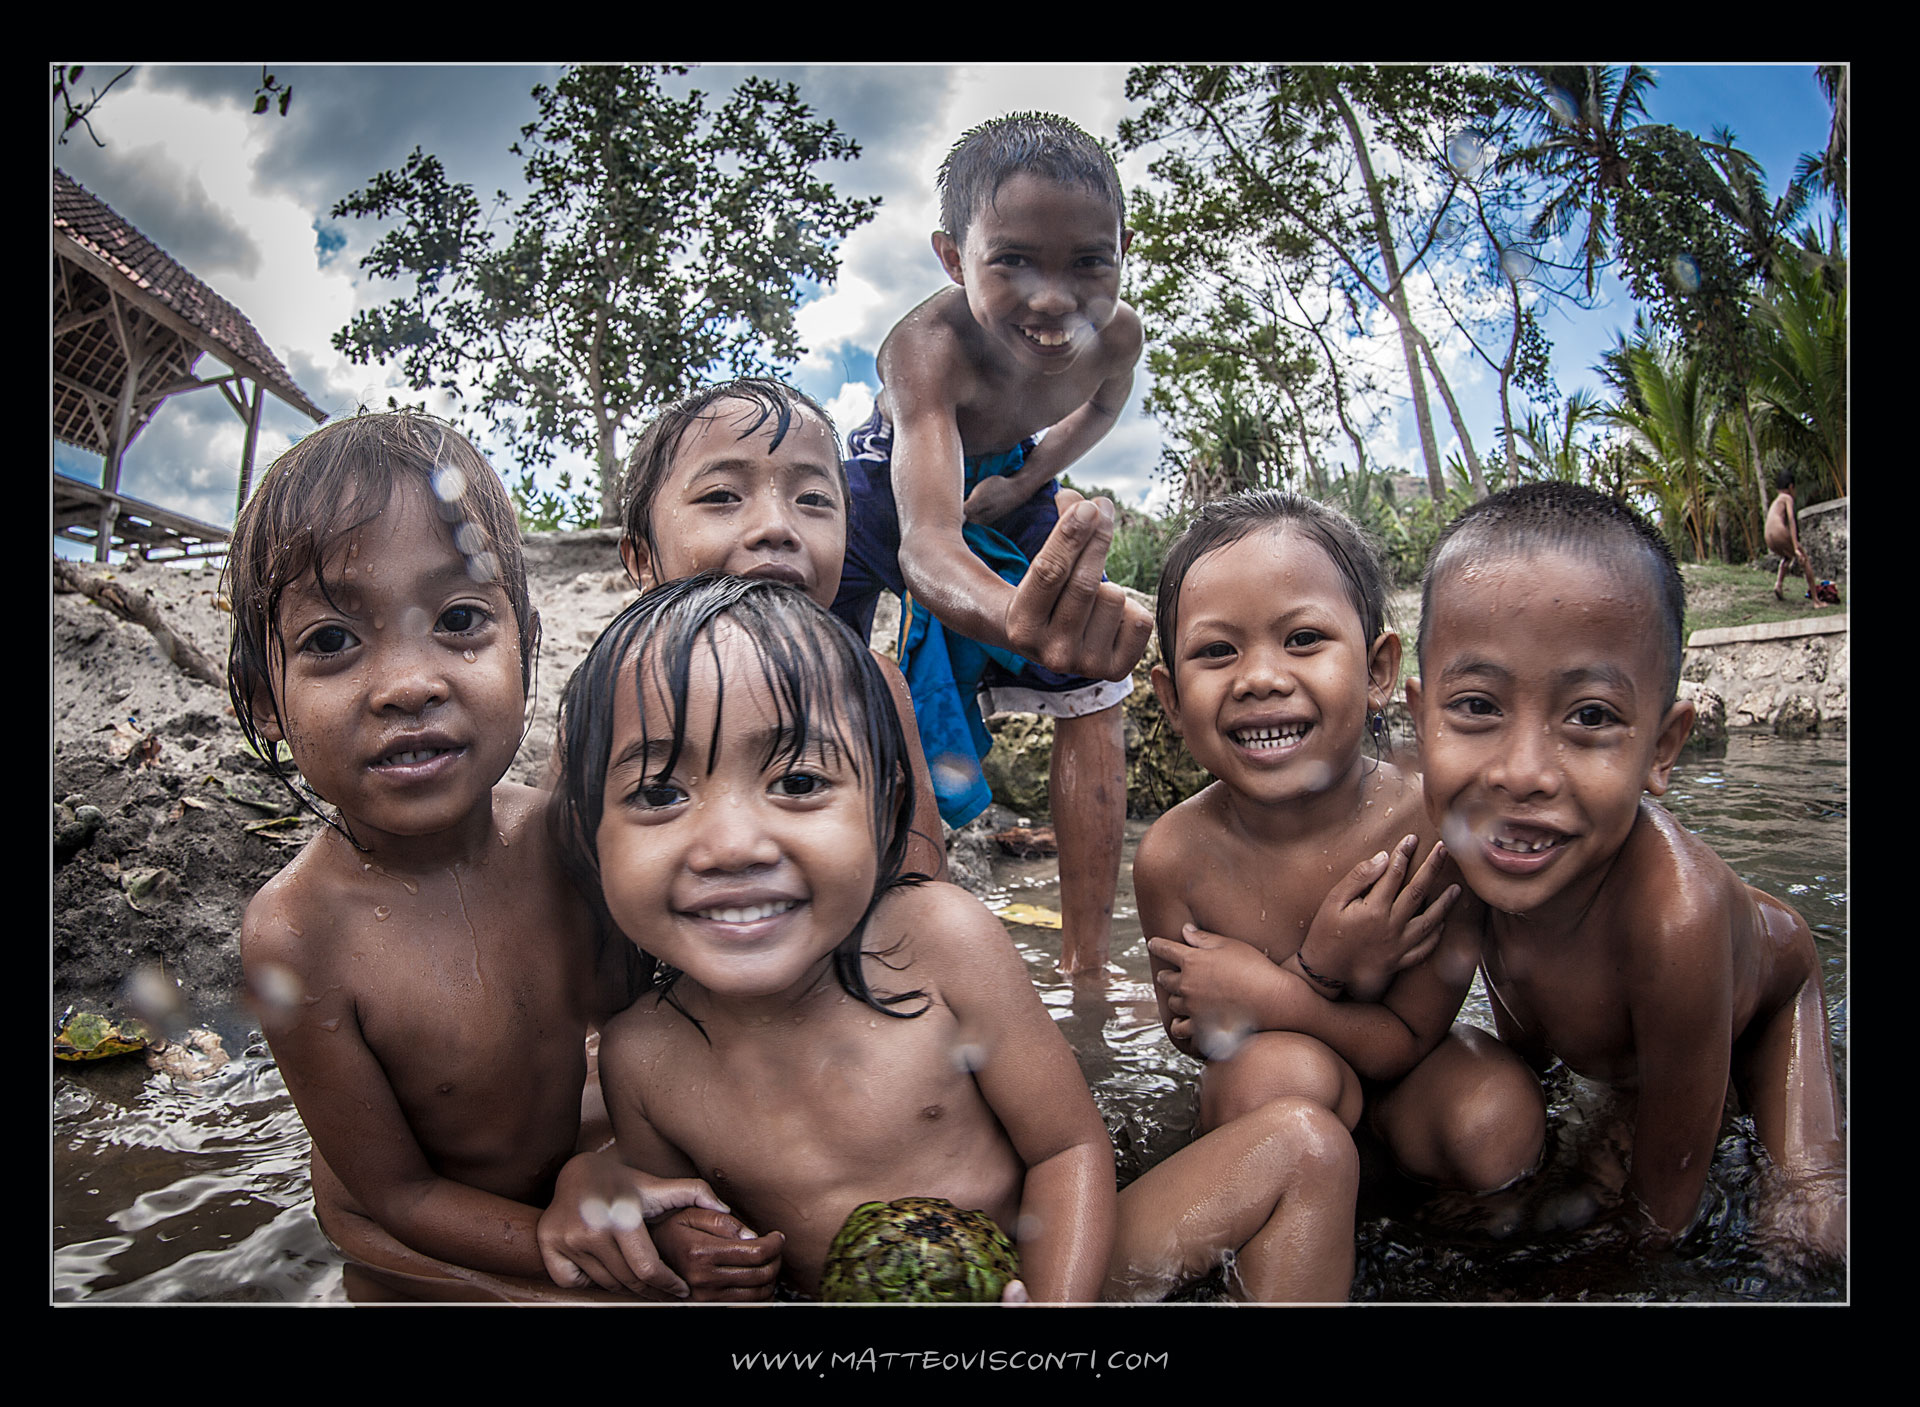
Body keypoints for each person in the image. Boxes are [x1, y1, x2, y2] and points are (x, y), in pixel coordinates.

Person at [227, 411, 727, 1302]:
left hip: (558, 1179)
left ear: (526, 649)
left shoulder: (566, 839)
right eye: (333, 641)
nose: (410, 684)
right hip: (410, 1245)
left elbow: (640, 1045)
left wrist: (610, 1178)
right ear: (267, 699)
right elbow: (395, 1195)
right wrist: (564, 1255)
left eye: (459, 618)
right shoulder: (298, 936)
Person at [549, 574, 1116, 1300]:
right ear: (591, 841)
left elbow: (1068, 1149)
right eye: (661, 793)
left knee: (1298, 1149)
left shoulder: (941, 943)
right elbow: (683, 1221)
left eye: (798, 781)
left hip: (1043, 1272)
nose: (731, 844)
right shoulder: (643, 1057)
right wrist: (690, 1250)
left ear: (884, 810)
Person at [1406, 481, 1847, 1260]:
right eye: (1477, 705)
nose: (1523, 772)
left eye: (1591, 716)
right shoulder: (1462, 853)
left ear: (1664, 748)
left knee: (1809, 1234)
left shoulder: (1676, 920)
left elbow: (1663, 1211)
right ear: (1418, 720)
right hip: (1652, 1024)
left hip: (1772, 992)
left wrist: (1592, 1260)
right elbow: (1523, 1040)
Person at [1134, 492, 1545, 1293]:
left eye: (1304, 639)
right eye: (1217, 652)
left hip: (1408, 1077)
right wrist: (1316, 972)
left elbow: (1410, 1035)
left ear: (1381, 670)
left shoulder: (1430, 825)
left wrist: (1276, 986)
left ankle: (1442, 1251)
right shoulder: (1171, 857)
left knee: (1499, 1116)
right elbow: (1204, 1041)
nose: (1260, 678)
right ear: (1172, 699)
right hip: (1280, 1097)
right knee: (1278, 1077)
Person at [830, 111, 1154, 978]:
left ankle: (1089, 967)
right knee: (820, 667)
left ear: (1124, 250)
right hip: (884, 495)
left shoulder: (1117, 336)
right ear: (952, 259)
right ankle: (869, 931)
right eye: (1011, 260)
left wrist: (1023, 480)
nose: (1053, 300)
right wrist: (1015, 619)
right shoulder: (925, 350)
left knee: (1095, 670)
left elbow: (1103, 407)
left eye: (1089, 261)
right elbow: (926, 546)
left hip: (1006, 480)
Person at [616, 376, 945, 883]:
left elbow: (924, 887)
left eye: (813, 500)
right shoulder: (620, 685)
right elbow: (566, 893)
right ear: (641, 559)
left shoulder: (870, 684)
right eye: (722, 495)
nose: (777, 526)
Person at [1766, 468, 1825, 606]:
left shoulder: (1776, 500)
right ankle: (1816, 601)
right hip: (1778, 531)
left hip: (1768, 537)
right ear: (1791, 487)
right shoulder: (1787, 498)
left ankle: (1778, 585)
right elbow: (1792, 519)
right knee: (1804, 559)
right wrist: (1795, 545)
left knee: (1787, 557)